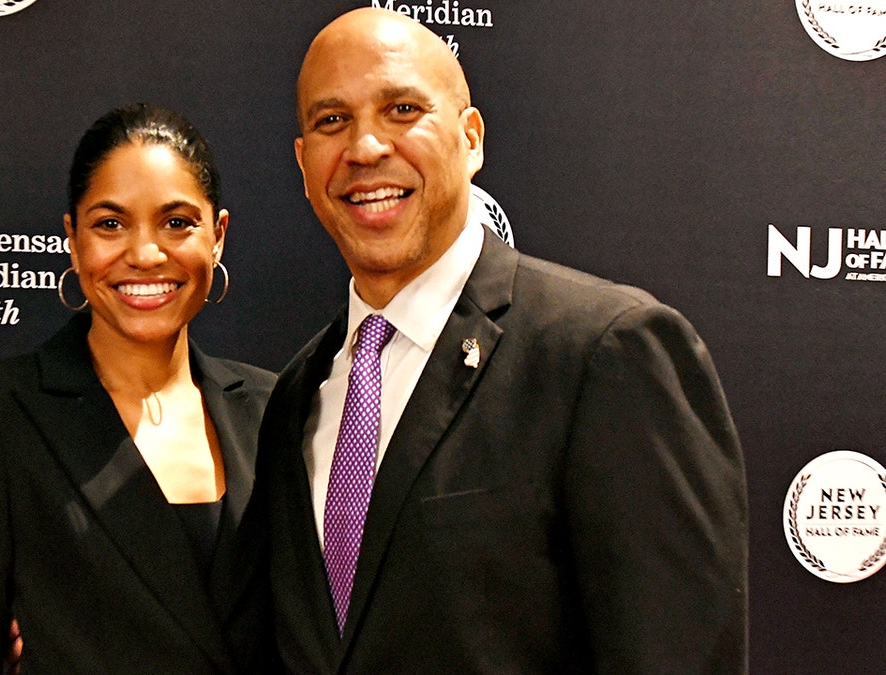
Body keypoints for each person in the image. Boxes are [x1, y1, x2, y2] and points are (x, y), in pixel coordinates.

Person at [257, 8, 748, 673]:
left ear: (472, 138)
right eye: (331, 120)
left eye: (402, 109)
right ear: (303, 159)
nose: (365, 147)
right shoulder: (295, 395)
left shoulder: (606, 353)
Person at [0, 103, 276, 673]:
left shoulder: (275, 409)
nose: (144, 254)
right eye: (110, 224)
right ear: (73, 240)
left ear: (218, 236)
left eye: (176, 222)